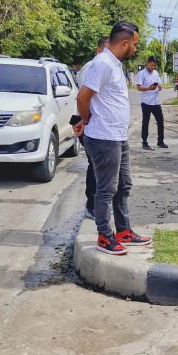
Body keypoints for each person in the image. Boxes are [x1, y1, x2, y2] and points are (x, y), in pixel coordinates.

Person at [75, 22, 151, 256]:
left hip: (118, 136)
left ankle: (123, 231)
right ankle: (104, 237)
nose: (136, 49)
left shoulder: (115, 65)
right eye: (135, 44)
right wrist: (86, 121)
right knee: (106, 189)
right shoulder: (103, 64)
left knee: (123, 185)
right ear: (125, 43)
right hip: (103, 137)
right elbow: (83, 97)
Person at [77, 36, 109, 220]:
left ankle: (97, 204)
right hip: (87, 119)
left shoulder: (100, 66)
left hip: (92, 120)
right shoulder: (92, 67)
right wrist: (86, 121)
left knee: (99, 166)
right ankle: (92, 205)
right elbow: (84, 98)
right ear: (98, 50)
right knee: (95, 166)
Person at [136, 56, 167, 150]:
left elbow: (159, 83)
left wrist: (160, 86)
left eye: (155, 66)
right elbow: (138, 87)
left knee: (160, 122)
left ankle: (160, 141)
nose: (153, 67)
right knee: (145, 123)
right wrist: (148, 88)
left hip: (156, 102)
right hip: (146, 103)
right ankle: (144, 143)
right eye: (152, 65)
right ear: (147, 63)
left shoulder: (156, 73)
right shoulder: (141, 73)